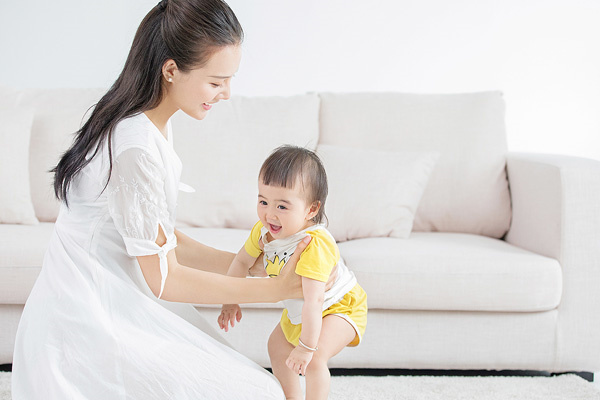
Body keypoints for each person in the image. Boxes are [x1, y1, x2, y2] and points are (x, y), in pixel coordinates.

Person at [11, 1, 312, 399]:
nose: (226, 94)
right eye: (216, 81)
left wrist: (254, 266)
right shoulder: (135, 145)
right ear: (171, 70)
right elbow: (164, 279)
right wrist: (277, 289)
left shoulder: (147, 123)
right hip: (88, 325)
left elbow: (162, 237)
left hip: (110, 300)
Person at [217, 145, 368, 400]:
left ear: (311, 210)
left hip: (339, 308)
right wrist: (230, 299)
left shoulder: (313, 244)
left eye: (282, 207)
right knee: (276, 346)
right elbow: (241, 261)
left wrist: (306, 347)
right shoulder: (263, 231)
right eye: (263, 201)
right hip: (304, 312)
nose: (269, 214)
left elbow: (314, 300)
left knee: (315, 356)